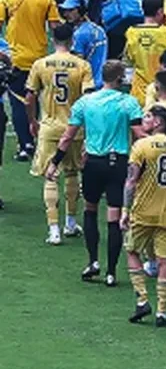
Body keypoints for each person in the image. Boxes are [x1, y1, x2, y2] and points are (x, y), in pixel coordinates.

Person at [49, 58, 142, 283]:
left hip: (93, 164)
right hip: (117, 163)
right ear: (120, 78)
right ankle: (111, 272)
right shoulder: (129, 102)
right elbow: (139, 134)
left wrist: (55, 162)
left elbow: (67, 137)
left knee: (90, 209)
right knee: (114, 215)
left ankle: (93, 262)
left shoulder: (85, 102)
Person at [27, 22, 94, 245]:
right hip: (74, 128)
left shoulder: (40, 64)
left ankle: (53, 229)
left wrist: (32, 121)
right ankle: (71, 222)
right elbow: (88, 98)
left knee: (50, 175)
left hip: (49, 126)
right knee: (73, 173)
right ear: (72, 40)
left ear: (52, 40)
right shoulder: (82, 65)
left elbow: (29, 97)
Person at [121, 105, 166, 327]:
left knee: (131, 251)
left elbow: (131, 181)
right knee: (165, 261)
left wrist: (125, 210)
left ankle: (142, 299)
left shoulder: (141, 145)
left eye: (148, 116)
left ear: (159, 122)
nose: (145, 119)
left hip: (143, 211)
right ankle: (161, 311)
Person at [2, 0, 60, 159]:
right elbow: (55, 28)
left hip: (15, 59)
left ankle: (25, 145)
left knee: (18, 103)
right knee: (37, 101)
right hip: (40, 58)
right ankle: (40, 141)